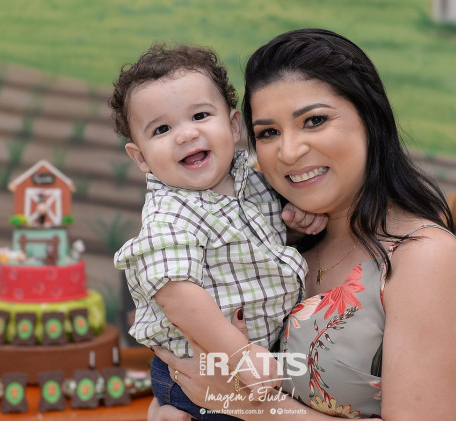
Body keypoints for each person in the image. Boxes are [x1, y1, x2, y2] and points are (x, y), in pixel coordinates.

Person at [150, 28, 456, 420]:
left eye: (314, 120)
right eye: (269, 133)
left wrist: (252, 405)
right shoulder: (272, 244)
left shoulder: (423, 258)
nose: (289, 152)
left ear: (370, 118)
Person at [109, 43, 327, 420]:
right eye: (162, 129)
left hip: (258, 357)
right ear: (141, 156)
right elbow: (178, 297)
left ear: (233, 125)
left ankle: (163, 411)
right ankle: (171, 408)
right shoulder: (170, 216)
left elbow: (263, 245)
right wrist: (240, 355)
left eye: (200, 115)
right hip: (206, 365)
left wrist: (295, 226)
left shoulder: (253, 182)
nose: (185, 134)